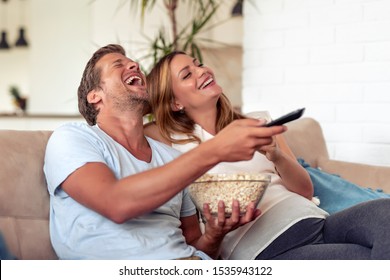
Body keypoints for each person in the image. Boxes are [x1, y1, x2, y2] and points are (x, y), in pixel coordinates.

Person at [43, 44, 287, 260]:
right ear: (95, 96)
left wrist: (214, 234)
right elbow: (116, 203)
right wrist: (215, 149)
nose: (134, 66)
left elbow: (195, 244)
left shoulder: (170, 158)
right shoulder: (72, 138)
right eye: (119, 64)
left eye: (133, 63)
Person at [145, 51, 390, 260]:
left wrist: (275, 154)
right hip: (268, 247)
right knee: (363, 258)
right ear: (175, 102)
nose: (201, 71)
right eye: (187, 74)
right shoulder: (169, 142)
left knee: (385, 212)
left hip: (318, 221)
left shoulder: (257, 122)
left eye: (198, 64)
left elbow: (305, 190)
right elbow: (128, 120)